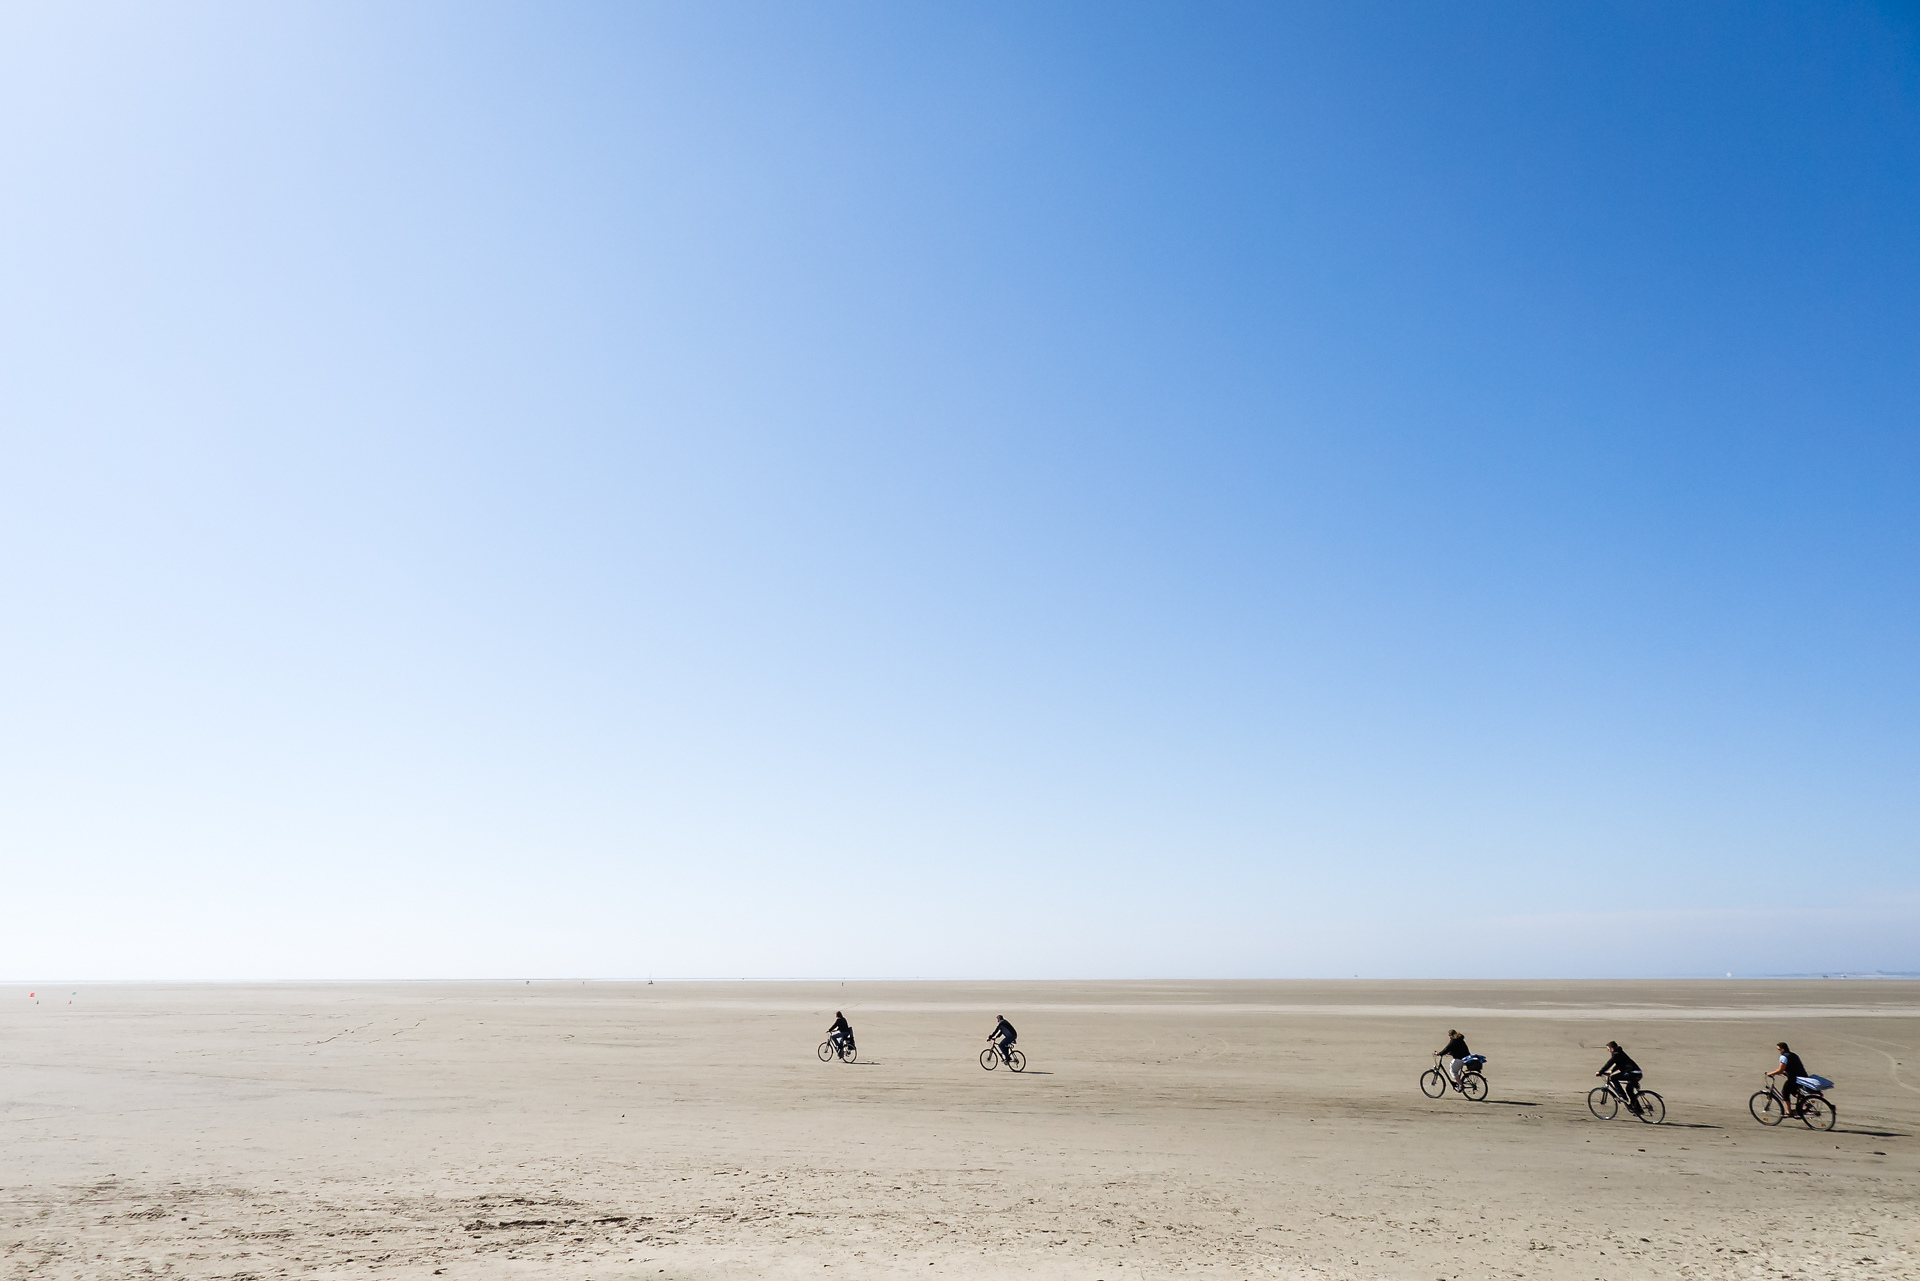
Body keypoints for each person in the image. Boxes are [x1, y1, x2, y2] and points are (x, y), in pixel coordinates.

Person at [1595, 1040, 1643, 1113]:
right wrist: (1612, 1071)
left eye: (1608, 1049)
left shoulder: (1616, 1054)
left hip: (1632, 1074)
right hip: (1637, 1073)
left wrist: (1600, 1072)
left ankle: (1623, 1096)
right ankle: (1638, 1110)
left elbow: (1609, 1063)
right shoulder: (1620, 1053)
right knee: (1629, 1090)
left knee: (1613, 1078)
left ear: (1612, 1049)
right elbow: (1619, 1064)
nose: (1608, 1051)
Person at [1768, 1041, 1809, 1115]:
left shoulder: (1784, 1057)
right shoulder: (1793, 1055)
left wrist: (1770, 1073)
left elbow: (1780, 1070)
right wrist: (1785, 1072)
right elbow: (1793, 1067)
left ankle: (1788, 1112)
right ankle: (1805, 1103)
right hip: (1802, 1077)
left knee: (1785, 1092)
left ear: (1782, 1049)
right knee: (1793, 1091)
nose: (1778, 1051)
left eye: (1779, 1049)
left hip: (1794, 1078)